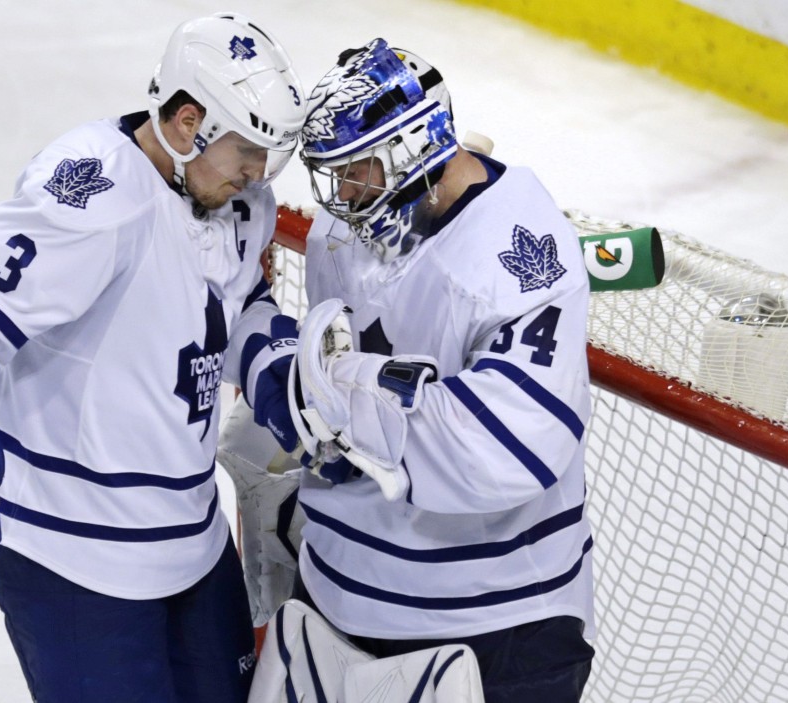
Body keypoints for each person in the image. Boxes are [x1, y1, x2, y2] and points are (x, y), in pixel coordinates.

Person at [0, 13, 306, 702]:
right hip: (71, 561)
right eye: (250, 150)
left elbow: (242, 297)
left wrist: (273, 362)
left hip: (192, 545)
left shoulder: (239, 199)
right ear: (188, 122)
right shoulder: (93, 199)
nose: (260, 174)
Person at [249, 39, 596, 702]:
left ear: (412, 151)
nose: (342, 195)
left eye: (359, 169)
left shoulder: (521, 256)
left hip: (488, 626)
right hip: (331, 600)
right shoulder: (343, 229)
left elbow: (506, 450)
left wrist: (342, 394)